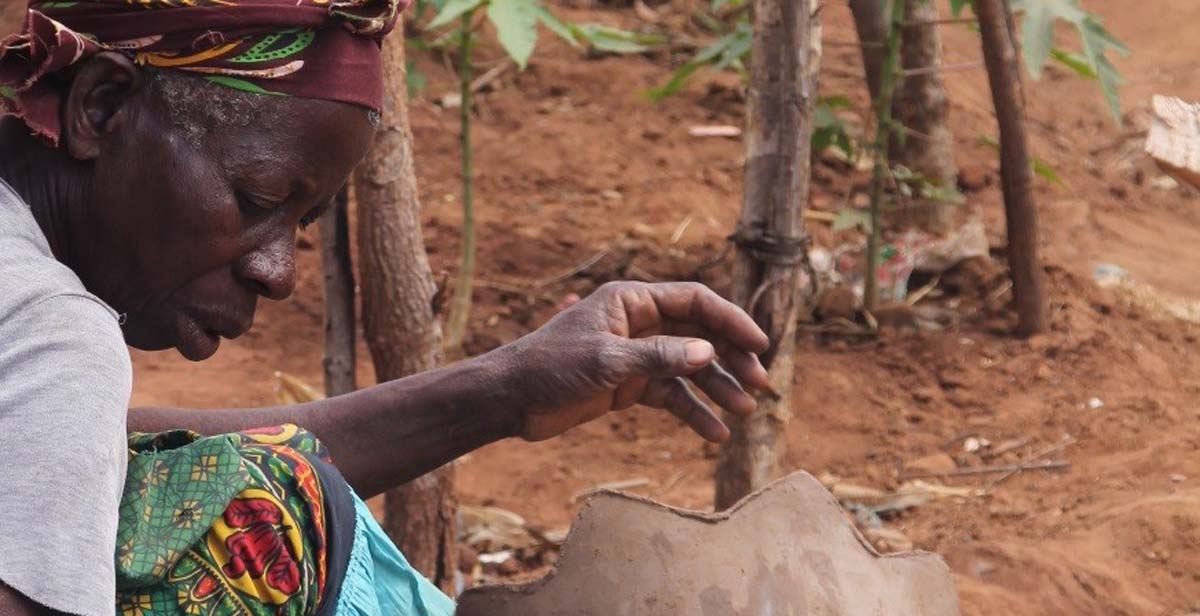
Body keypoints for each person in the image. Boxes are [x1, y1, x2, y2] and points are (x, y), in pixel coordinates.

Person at [0, 1, 772, 615]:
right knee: (266, 520)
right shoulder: (57, 336)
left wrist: (509, 387)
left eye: (300, 228)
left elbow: (82, 444)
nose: (279, 273)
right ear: (102, 107)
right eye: (259, 198)